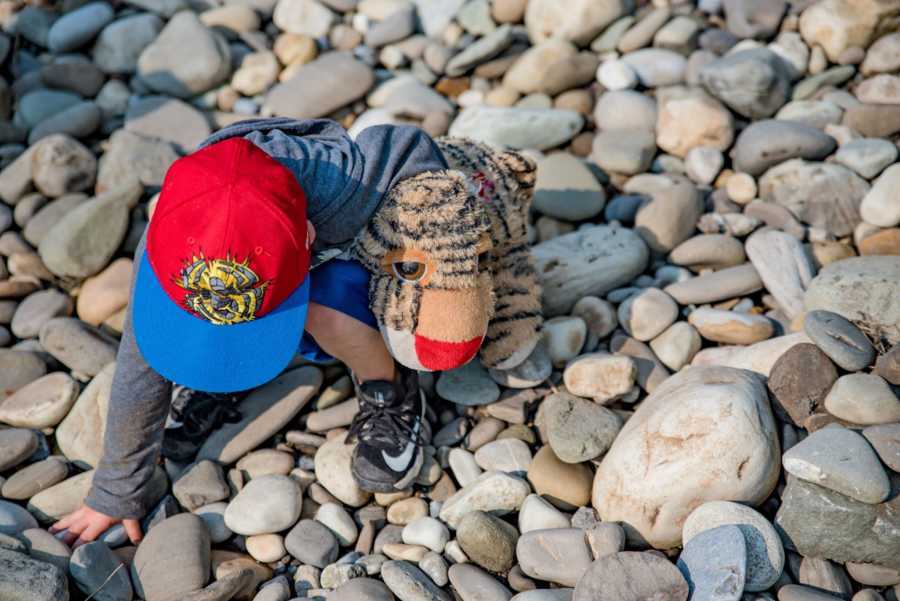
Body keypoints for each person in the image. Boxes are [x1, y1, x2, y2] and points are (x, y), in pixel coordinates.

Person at [50, 118, 451, 548]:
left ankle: (390, 387)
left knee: (328, 308)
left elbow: (409, 148)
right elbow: (139, 362)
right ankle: (223, 369)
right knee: (172, 334)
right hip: (263, 260)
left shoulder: (347, 184)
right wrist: (116, 490)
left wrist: (432, 273)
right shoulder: (172, 232)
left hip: (342, 280)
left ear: (307, 233)